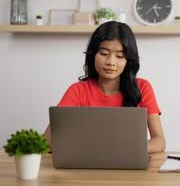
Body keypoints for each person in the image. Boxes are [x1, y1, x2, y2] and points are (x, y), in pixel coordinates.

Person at [44, 21, 165, 153]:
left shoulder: (142, 87)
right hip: (86, 164)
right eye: (103, 53)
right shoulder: (78, 90)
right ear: (93, 55)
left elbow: (159, 141)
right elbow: (46, 141)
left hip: (128, 163)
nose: (110, 62)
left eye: (119, 56)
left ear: (128, 60)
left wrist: (128, 150)